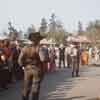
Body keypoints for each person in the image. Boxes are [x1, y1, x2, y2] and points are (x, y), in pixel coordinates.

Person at [18, 32, 44, 100]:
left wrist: (23, 66)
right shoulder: (39, 48)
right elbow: (43, 59)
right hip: (36, 69)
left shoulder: (24, 48)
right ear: (37, 40)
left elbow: (19, 60)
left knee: (26, 87)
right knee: (35, 87)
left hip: (27, 69)